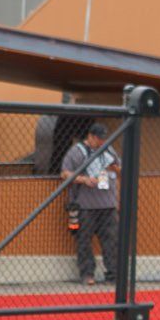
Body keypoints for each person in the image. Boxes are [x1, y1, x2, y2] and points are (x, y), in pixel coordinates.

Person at [60, 123, 120, 286]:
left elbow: (119, 170)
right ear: (91, 136)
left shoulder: (109, 150)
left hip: (108, 204)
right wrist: (84, 179)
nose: (102, 142)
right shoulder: (76, 151)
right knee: (84, 241)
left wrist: (113, 168)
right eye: (99, 139)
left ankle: (113, 274)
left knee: (111, 241)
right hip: (85, 205)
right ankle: (87, 274)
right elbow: (65, 173)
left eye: (104, 139)